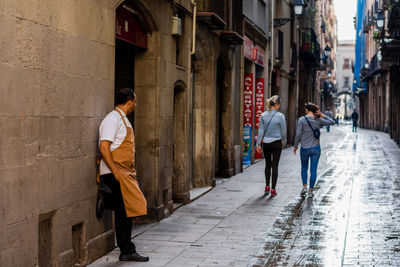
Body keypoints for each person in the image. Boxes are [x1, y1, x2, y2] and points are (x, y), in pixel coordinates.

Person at [96, 88, 149, 262]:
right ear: (129, 101)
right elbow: (104, 147)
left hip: (123, 172)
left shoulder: (121, 119)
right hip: (116, 172)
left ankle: (106, 199)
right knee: (128, 209)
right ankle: (126, 250)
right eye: (135, 101)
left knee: (126, 209)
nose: (136, 104)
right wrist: (116, 172)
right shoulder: (112, 119)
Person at [293, 102, 335, 198]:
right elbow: (332, 122)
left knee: (304, 168)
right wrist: (322, 115)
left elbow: (298, 134)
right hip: (316, 148)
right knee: (313, 170)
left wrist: (295, 146)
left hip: (304, 148)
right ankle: (311, 190)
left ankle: (304, 187)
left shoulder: (301, 120)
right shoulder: (318, 119)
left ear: (307, 110)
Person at [256, 95, 287, 196]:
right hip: (277, 142)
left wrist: (258, 144)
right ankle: (273, 189)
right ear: (277, 105)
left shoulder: (263, 115)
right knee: (275, 165)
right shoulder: (281, 116)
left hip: (266, 143)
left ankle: (267, 186)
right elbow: (283, 131)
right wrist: (284, 141)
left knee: (267, 164)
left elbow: (261, 130)